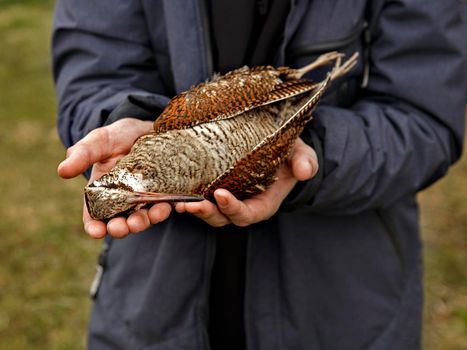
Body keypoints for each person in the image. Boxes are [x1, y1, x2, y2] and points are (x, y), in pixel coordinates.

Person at [53, 1, 466, 349]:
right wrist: (122, 121)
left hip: (341, 307)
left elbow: (425, 118)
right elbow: (93, 73)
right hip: (152, 305)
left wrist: (310, 155)